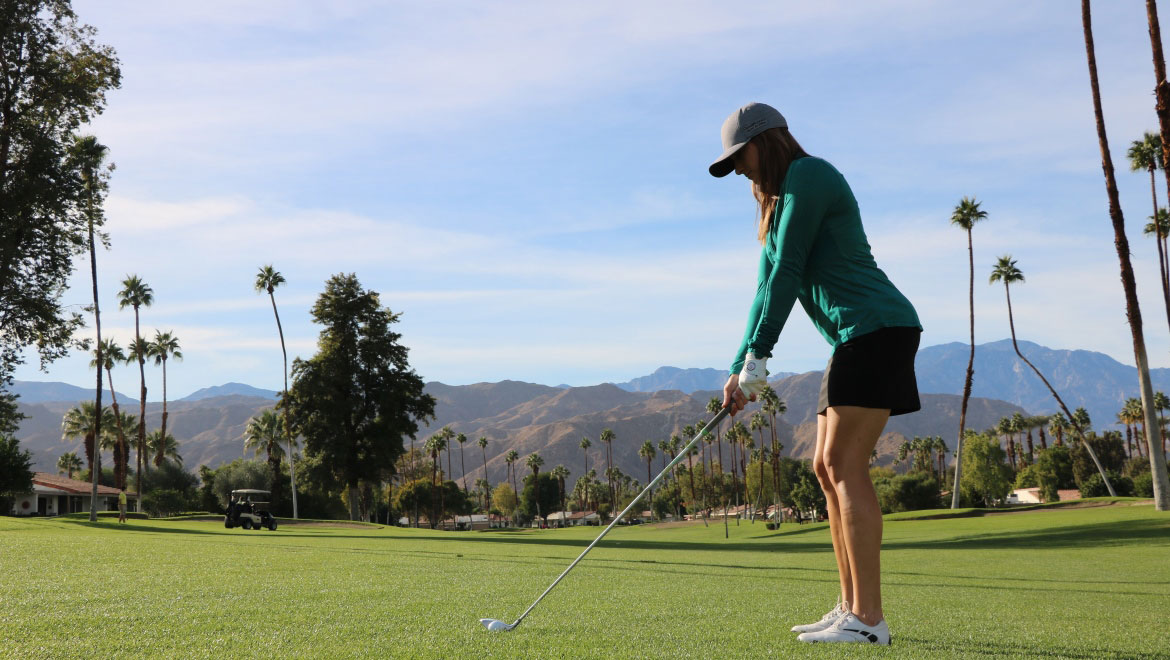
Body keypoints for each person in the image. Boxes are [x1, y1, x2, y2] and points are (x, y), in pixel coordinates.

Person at [711, 102, 921, 646]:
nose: (739, 169)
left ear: (768, 139)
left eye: (741, 156)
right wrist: (739, 368)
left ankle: (870, 620)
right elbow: (764, 290)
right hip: (852, 338)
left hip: (877, 327)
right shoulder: (777, 209)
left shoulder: (811, 175)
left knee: (844, 465)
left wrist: (762, 354)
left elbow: (790, 270)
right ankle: (850, 606)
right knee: (824, 468)